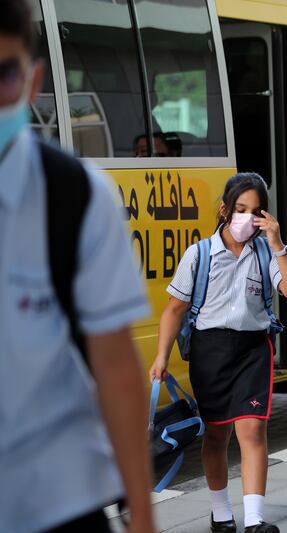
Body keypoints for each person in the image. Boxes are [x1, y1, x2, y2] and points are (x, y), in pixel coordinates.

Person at [0, 2, 156, 531]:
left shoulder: (75, 195)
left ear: (33, 80)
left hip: (60, 501)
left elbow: (114, 361)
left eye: (3, 75)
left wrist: (143, 512)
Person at [149, 173, 287, 533]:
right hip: (211, 351)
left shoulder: (267, 253)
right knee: (217, 435)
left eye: (255, 211)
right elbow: (174, 309)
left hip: (253, 350)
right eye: (239, 209)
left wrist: (278, 243)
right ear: (224, 209)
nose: (246, 218)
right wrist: (161, 357)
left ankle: (254, 520)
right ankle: (221, 514)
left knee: (251, 432)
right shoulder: (200, 254)